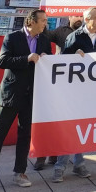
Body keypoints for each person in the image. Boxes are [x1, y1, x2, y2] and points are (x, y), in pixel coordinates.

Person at [0, 8, 50, 192]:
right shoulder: (12, 37)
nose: (45, 24)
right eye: (43, 20)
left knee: (25, 135)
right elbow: (3, 61)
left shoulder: (44, 40)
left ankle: (20, 172)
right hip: (10, 95)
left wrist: (46, 59)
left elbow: (47, 66)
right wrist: (27, 58)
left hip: (30, 96)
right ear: (31, 21)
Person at [52, 7, 96, 182]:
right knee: (71, 125)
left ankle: (78, 164)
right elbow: (63, 59)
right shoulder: (74, 36)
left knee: (83, 126)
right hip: (75, 89)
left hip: (92, 89)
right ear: (87, 19)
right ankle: (60, 167)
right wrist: (73, 54)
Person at [33, 14, 84, 171]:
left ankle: (55, 154)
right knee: (51, 117)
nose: (79, 19)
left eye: (82, 16)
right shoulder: (61, 31)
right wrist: (44, 17)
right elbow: (44, 34)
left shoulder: (87, 33)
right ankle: (42, 155)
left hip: (78, 83)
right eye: (77, 15)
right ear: (69, 16)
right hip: (60, 79)